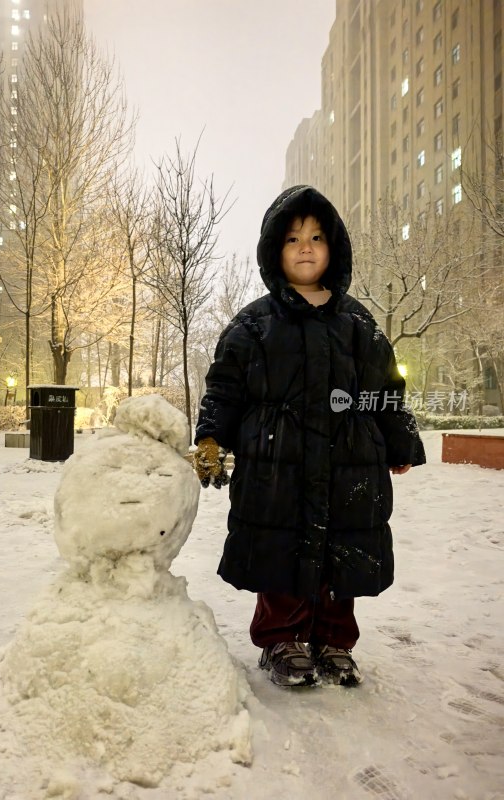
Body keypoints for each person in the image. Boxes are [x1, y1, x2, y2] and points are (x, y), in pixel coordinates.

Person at [194, 185, 425, 688]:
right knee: (281, 551)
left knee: (342, 553)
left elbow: (386, 385)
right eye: (294, 237)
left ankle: (334, 641)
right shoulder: (254, 323)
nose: (305, 246)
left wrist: (400, 439)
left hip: (348, 460)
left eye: (317, 237)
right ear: (275, 249)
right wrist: (212, 438)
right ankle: (282, 638)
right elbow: (226, 386)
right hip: (277, 462)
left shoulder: (357, 321)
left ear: (333, 248)